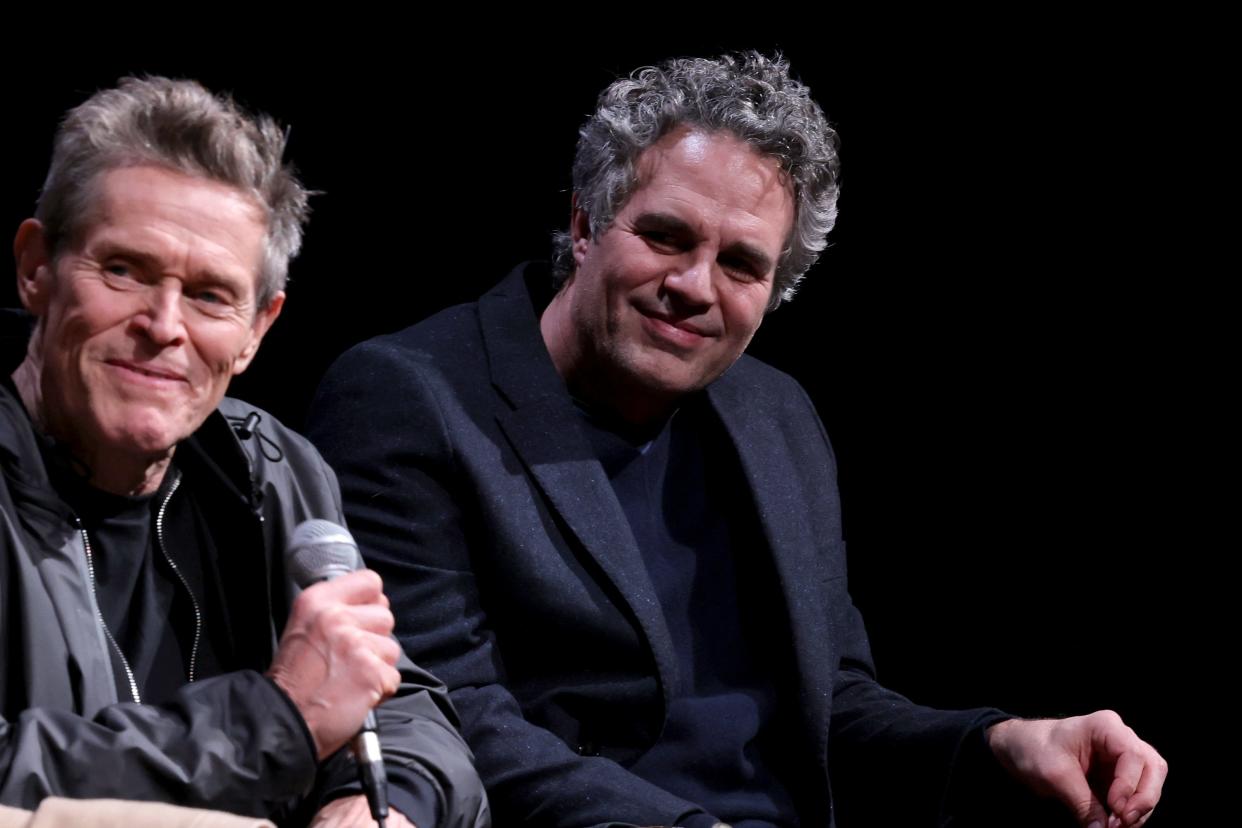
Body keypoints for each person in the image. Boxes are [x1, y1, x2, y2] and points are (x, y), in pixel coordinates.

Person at [306, 54, 1166, 827]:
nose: (693, 286)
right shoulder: (410, 395)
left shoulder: (774, 414)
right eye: (665, 236)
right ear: (583, 222)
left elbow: (834, 704)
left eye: (741, 265)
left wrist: (1001, 743)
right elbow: (448, 716)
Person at [0, 76, 489, 828]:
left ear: (259, 329)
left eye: (208, 295)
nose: (164, 324)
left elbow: (399, 700)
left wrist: (381, 800)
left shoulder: (274, 470)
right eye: (125, 270)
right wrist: (272, 718)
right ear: (37, 267)